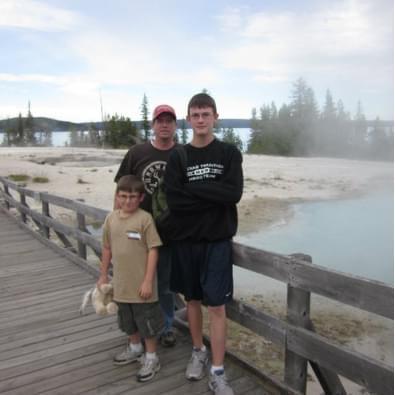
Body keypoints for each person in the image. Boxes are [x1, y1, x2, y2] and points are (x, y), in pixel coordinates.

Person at [164, 93, 243, 395]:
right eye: (195, 115)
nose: (200, 120)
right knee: (193, 302)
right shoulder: (178, 156)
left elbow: (233, 193)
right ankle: (198, 350)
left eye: (205, 114)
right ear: (188, 119)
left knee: (217, 306)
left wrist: (193, 190)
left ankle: (219, 371)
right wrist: (213, 194)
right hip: (186, 241)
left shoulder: (229, 153)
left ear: (215, 117)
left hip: (217, 242)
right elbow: (175, 201)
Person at [114, 104, 178, 349]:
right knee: (135, 280)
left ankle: (166, 327)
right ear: (152, 125)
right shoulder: (136, 152)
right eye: (159, 120)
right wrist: (116, 222)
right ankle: (140, 328)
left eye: (169, 120)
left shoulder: (182, 153)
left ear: (175, 125)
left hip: (169, 232)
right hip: (135, 232)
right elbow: (120, 188)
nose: (164, 124)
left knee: (163, 283)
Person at [97, 175, 163, 382]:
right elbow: (107, 248)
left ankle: (151, 357)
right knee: (127, 320)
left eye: (133, 197)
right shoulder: (111, 218)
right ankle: (135, 348)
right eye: (124, 196)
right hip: (120, 284)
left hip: (143, 285)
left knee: (147, 324)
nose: (128, 201)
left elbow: (154, 250)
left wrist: (147, 281)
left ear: (141, 198)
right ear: (117, 196)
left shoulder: (145, 219)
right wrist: (103, 275)